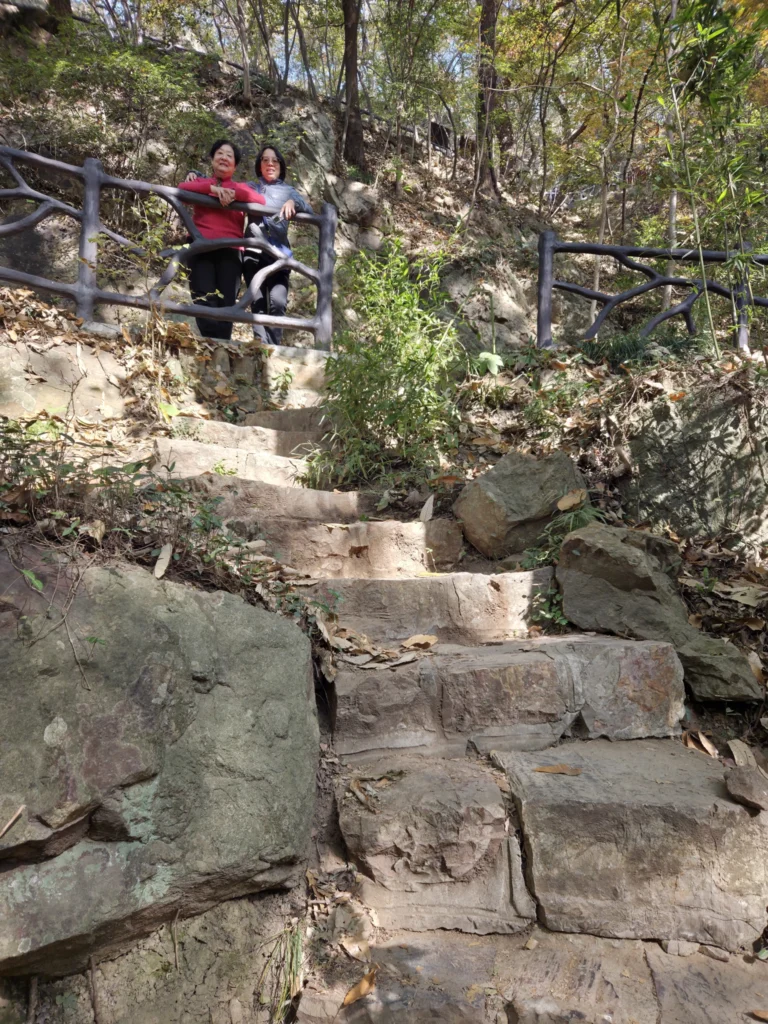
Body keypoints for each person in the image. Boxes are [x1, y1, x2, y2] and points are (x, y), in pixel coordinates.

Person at [178, 139, 265, 341]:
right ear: (212, 159)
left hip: (230, 251)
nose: (224, 158)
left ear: (235, 165)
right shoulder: (201, 183)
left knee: (226, 304)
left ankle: (222, 350)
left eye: (229, 155)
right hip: (200, 247)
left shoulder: (241, 188)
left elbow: (260, 200)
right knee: (203, 300)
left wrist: (232, 193)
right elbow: (182, 188)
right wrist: (215, 190)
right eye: (220, 153)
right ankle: (210, 348)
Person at [242, 144, 314, 346]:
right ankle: (260, 345)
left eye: (274, 160)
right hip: (254, 250)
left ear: (281, 165)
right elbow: (230, 188)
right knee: (257, 302)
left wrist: (293, 202)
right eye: (265, 159)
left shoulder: (289, 190)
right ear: (259, 165)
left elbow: (309, 209)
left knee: (278, 302)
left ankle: (274, 347)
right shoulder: (252, 186)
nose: (270, 163)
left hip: (279, 253)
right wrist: (195, 174)